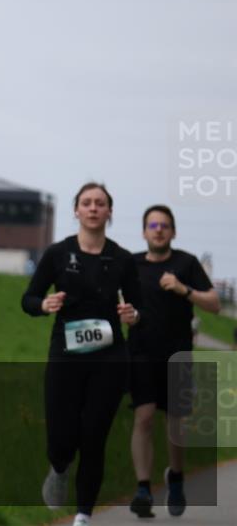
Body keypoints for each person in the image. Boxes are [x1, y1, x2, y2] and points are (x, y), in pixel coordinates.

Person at [21, 182, 144, 526]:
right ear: (76, 210)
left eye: (100, 203)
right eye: (86, 203)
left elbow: (140, 308)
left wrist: (133, 316)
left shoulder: (122, 259)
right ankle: (59, 468)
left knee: (94, 435)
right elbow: (28, 299)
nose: (93, 208)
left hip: (109, 359)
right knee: (62, 437)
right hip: (66, 355)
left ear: (109, 212)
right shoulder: (58, 254)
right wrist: (43, 304)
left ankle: (83, 515)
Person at [127, 205, 219, 519]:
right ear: (143, 231)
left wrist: (184, 289)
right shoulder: (133, 265)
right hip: (141, 352)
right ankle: (142, 489)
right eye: (152, 224)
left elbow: (215, 304)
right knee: (144, 416)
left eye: (164, 225)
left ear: (173, 232)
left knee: (176, 423)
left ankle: (176, 478)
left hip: (178, 353)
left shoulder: (186, 263)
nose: (158, 229)